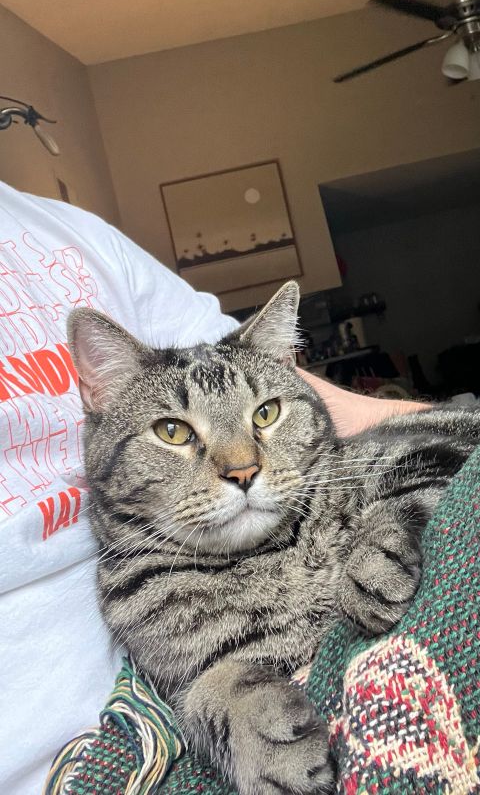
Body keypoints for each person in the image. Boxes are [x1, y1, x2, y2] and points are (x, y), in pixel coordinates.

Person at [0, 181, 412, 795]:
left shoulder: (66, 228)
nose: (239, 465)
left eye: (262, 419)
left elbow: (318, 402)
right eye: (173, 429)